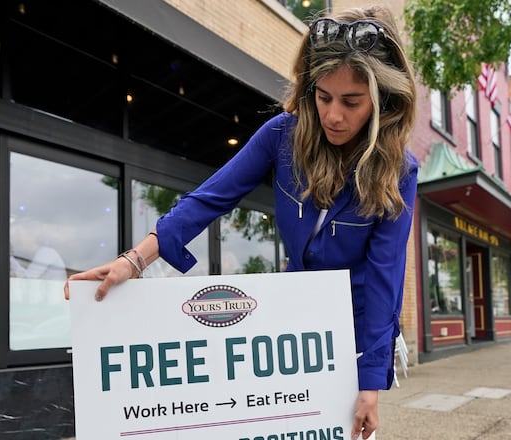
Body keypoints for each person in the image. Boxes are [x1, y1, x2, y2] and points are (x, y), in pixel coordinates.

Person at [64, 6, 417, 439]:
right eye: (323, 97)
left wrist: (369, 384)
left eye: (352, 102)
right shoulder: (281, 135)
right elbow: (208, 198)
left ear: (385, 99)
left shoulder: (401, 170)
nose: (333, 116)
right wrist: (134, 260)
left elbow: (386, 276)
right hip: (296, 325)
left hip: (359, 330)